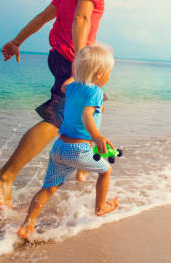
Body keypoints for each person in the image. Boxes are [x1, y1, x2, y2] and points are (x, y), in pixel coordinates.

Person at [0, 0, 127, 210]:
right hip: (73, 60)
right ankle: (4, 177)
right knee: (56, 119)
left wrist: (17, 41)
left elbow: (43, 17)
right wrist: (79, 62)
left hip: (64, 57)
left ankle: (81, 166)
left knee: (96, 103)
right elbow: (82, 18)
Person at [17, 43, 119, 241]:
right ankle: (100, 207)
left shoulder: (72, 88)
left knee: (48, 187)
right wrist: (97, 136)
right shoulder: (96, 92)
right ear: (99, 74)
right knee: (106, 170)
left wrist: (76, 73)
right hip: (78, 149)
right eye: (109, 73)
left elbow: (64, 85)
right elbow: (87, 114)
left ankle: (27, 224)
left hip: (60, 147)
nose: (109, 76)